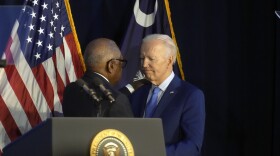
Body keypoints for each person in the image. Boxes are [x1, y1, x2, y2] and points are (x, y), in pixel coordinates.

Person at [129, 34, 205, 156]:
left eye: (151, 59)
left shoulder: (190, 95)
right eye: (142, 58)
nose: (144, 64)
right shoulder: (137, 94)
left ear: (169, 60)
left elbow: (193, 146)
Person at [62, 38, 133, 117]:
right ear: (111, 66)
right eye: (121, 62)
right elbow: (126, 129)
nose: (121, 67)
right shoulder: (115, 99)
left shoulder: (71, 90)